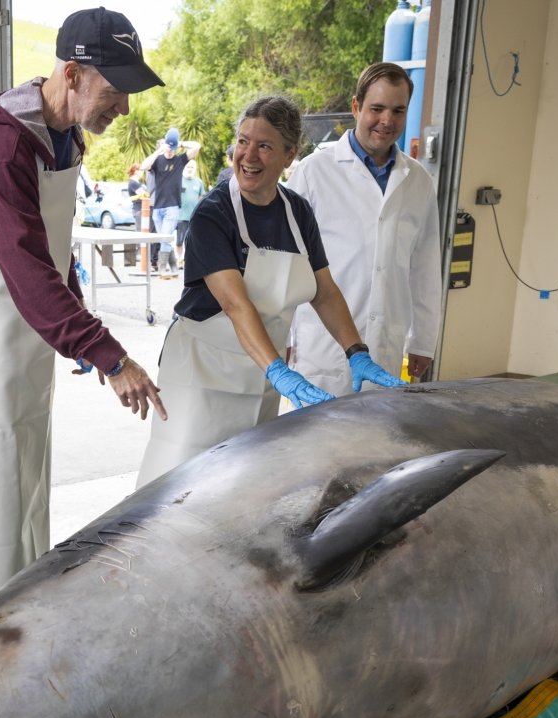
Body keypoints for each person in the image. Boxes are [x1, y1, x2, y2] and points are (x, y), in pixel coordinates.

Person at [0, 7, 168, 605]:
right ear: (73, 74)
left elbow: (53, 254)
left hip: (24, 337)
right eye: (116, 91)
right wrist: (109, 356)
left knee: (25, 490)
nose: (125, 108)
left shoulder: (64, 138)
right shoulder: (6, 146)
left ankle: (16, 620)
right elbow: (27, 267)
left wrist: (76, 319)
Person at [137, 96, 401, 486]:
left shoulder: (297, 212)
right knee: (180, 486)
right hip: (203, 374)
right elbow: (235, 304)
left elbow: (323, 291)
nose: (249, 155)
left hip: (260, 376)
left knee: (240, 486)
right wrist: (281, 372)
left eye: (264, 146)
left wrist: (356, 352)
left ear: (290, 153)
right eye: (243, 142)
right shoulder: (214, 214)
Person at [286, 62, 444, 394]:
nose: (387, 120)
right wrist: (283, 335)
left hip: (385, 344)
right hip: (322, 347)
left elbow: (426, 268)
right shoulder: (314, 173)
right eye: (377, 108)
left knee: (377, 440)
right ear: (357, 107)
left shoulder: (418, 182)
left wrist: (424, 340)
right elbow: (288, 261)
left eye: (398, 110)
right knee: (316, 440)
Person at [147, 127, 191, 277]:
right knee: (164, 239)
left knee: (165, 237)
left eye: (173, 148)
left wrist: (182, 144)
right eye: (169, 147)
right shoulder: (158, 160)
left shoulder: (180, 160)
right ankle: (173, 268)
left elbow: (197, 147)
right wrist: (158, 151)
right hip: (158, 207)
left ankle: (162, 268)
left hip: (172, 206)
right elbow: (144, 166)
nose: (171, 151)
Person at [176, 163, 206, 268]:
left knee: (192, 241)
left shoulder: (199, 182)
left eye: (192, 167)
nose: (190, 169)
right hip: (181, 216)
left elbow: (202, 197)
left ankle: (188, 260)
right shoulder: (179, 180)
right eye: (188, 167)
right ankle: (179, 259)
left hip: (194, 217)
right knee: (179, 240)